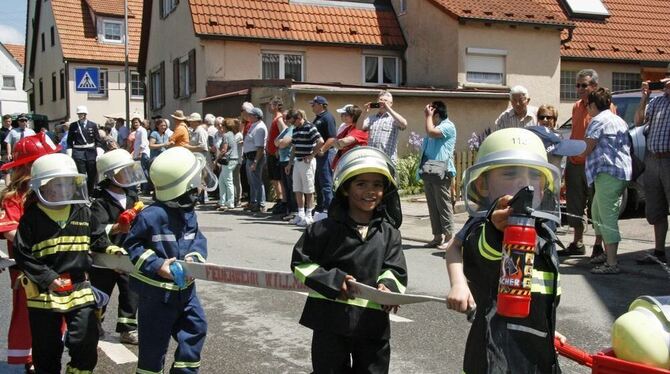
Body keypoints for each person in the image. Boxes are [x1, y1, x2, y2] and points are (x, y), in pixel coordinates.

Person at [445, 128, 562, 373]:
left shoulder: (544, 231)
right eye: (510, 174)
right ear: (483, 184)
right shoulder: (484, 224)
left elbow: (545, 290)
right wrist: (459, 284)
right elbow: (471, 248)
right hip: (495, 351)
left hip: (536, 348)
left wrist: (546, 326)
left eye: (534, 175)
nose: (524, 183)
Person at [291, 146, 406, 373]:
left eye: (377, 184)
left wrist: (389, 286)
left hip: (372, 324)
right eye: (361, 184)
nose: (370, 191)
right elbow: (301, 264)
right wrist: (333, 281)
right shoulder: (322, 230)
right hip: (329, 323)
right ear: (344, 188)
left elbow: (395, 268)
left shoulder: (390, 233)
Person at [14, 153, 101, 373]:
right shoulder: (31, 217)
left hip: (79, 288)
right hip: (43, 293)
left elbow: (99, 238)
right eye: (57, 184)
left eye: (68, 183)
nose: (65, 189)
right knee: (46, 348)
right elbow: (22, 254)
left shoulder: (83, 210)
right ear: (43, 188)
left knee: (86, 340)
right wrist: (48, 277)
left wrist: (114, 249)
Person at [124, 146, 208, 374]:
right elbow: (132, 245)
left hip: (186, 291)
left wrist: (195, 257)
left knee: (196, 328)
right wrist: (157, 265)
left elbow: (198, 238)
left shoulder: (189, 212)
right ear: (187, 185)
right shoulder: (152, 215)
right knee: (153, 347)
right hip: (156, 295)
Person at [0, 133, 61, 373]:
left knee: (58, 308)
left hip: (56, 261)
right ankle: (27, 359)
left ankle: (47, 354)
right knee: (28, 312)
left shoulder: (56, 191)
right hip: (27, 266)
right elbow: (11, 231)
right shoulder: (14, 197)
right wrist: (40, 247)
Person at [89, 149, 147, 344]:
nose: (129, 174)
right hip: (105, 257)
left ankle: (127, 328)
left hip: (127, 254)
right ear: (110, 175)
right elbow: (95, 229)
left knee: (131, 293)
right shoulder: (99, 201)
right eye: (124, 171)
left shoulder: (132, 195)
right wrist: (116, 227)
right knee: (100, 293)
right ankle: (95, 325)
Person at [583, 88, 632, 274]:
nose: (587, 108)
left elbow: (587, 147)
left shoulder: (597, 120)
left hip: (607, 174)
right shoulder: (617, 119)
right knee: (596, 211)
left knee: (607, 217)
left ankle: (612, 263)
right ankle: (606, 253)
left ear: (593, 105)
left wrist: (565, 149)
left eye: (588, 105)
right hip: (620, 173)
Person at [564, 69, 609, 258]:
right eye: (578, 85)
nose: (580, 88)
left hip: (593, 163)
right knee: (575, 204)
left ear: (594, 86)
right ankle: (577, 242)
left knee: (595, 205)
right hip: (575, 162)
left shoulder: (604, 107)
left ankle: (598, 245)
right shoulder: (576, 106)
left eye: (584, 85)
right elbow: (575, 132)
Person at [634, 74, 670, 265]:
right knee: (656, 208)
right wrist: (644, 98)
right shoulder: (657, 102)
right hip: (653, 159)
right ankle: (659, 251)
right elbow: (639, 121)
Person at [419, 101, 456, 250]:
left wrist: (428, 116)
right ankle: (437, 236)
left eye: (431, 113)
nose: (428, 116)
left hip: (442, 169)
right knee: (433, 205)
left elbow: (431, 133)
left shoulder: (448, 126)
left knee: (443, 205)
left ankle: (449, 237)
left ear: (437, 114)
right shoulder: (433, 126)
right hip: (429, 168)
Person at [287, 109, 323, 227]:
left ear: (298, 118)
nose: (293, 125)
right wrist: (290, 163)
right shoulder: (296, 129)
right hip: (298, 161)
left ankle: (309, 215)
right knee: (297, 188)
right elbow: (294, 147)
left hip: (307, 162)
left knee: (308, 189)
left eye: (293, 122)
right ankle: (301, 213)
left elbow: (320, 141)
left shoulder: (310, 127)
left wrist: (312, 155)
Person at [309, 96, 337, 216]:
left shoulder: (327, 117)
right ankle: (320, 207)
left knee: (326, 183)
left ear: (321, 105)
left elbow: (332, 137)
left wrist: (323, 149)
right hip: (318, 155)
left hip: (325, 154)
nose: (312, 106)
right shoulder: (318, 118)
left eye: (314, 104)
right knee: (318, 183)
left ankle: (329, 210)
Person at [363, 90, 408, 164]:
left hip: (388, 160)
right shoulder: (371, 118)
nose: (382, 102)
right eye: (381, 100)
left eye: (385, 101)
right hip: (372, 158)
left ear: (391, 103)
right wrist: (364, 111)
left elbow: (404, 124)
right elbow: (359, 127)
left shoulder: (393, 119)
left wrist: (388, 108)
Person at [67, 106, 102, 194]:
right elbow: (69, 141)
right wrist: (70, 154)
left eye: (81, 114)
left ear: (85, 114)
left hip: (90, 151)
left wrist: (99, 152)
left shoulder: (93, 125)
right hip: (78, 152)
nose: (80, 115)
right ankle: (82, 193)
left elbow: (97, 140)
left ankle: (90, 193)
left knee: (91, 174)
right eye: (79, 114)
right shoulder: (73, 125)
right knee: (81, 175)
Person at [242, 107, 268, 213]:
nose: (249, 116)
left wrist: (256, 162)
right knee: (252, 181)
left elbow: (260, 148)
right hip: (250, 157)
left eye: (251, 115)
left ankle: (260, 204)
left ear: (256, 116)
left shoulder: (260, 128)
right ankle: (253, 202)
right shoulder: (254, 125)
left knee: (256, 181)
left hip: (255, 157)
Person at [331, 104, 368, 169]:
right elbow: (333, 141)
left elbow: (344, 142)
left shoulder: (360, 130)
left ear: (353, 116)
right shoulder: (348, 128)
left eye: (345, 114)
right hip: (343, 164)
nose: (342, 116)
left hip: (354, 164)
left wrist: (340, 144)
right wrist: (340, 144)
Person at [275, 110, 297, 220]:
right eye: (283, 117)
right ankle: (289, 209)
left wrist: (280, 142)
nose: (285, 120)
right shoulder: (285, 130)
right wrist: (280, 142)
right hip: (283, 160)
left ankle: (294, 210)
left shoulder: (292, 129)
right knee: (286, 187)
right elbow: (276, 142)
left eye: (286, 117)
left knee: (291, 186)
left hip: (290, 161)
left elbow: (283, 143)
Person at [267, 97, 287, 215]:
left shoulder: (279, 118)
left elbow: (284, 132)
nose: (269, 107)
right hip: (271, 152)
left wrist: (278, 148)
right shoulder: (275, 118)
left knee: (277, 178)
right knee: (274, 179)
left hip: (275, 153)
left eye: (270, 105)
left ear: (275, 105)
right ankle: (279, 199)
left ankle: (281, 200)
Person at [216, 118, 239, 211]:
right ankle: (222, 201)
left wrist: (217, 159)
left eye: (223, 125)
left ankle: (230, 202)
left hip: (228, 160)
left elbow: (224, 150)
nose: (221, 126)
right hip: (234, 159)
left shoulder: (226, 135)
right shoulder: (232, 134)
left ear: (226, 126)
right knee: (222, 181)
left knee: (228, 181)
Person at [131, 115, 151, 195]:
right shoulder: (137, 131)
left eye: (136, 122)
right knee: (141, 172)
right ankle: (144, 189)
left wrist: (140, 153)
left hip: (143, 153)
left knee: (144, 172)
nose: (135, 124)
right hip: (138, 153)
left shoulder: (142, 130)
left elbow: (143, 143)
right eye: (134, 123)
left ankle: (146, 189)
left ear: (140, 123)